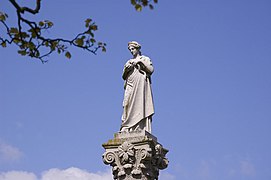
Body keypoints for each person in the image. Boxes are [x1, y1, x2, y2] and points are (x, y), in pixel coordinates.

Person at [120, 41, 154, 133]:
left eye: (133, 49)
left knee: (140, 103)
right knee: (126, 104)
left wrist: (140, 62)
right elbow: (123, 76)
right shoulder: (128, 61)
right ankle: (127, 125)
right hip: (130, 84)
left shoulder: (145, 58)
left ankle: (139, 126)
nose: (131, 51)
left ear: (137, 48)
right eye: (130, 49)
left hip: (140, 85)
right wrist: (127, 69)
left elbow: (151, 70)